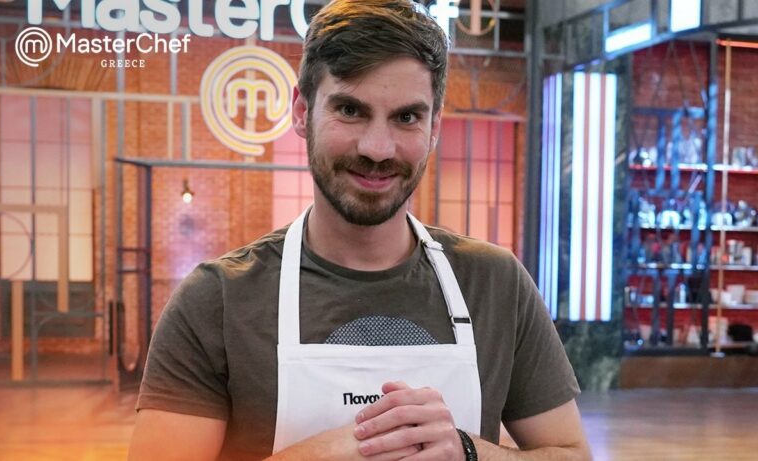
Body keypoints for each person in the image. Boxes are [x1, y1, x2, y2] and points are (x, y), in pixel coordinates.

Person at [128, 0, 591, 460]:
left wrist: (470, 452)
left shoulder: (494, 284)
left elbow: (572, 454)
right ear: (301, 112)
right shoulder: (217, 301)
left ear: (433, 127)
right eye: (350, 110)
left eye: (406, 117)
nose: (377, 148)